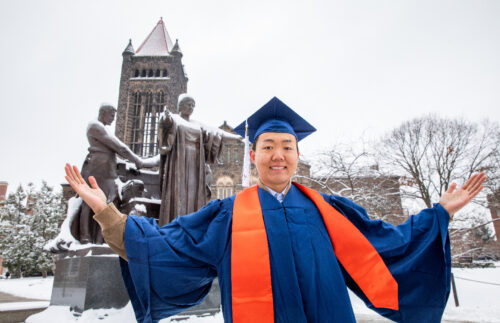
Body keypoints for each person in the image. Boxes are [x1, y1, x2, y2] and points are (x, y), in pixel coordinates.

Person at [64, 97, 486, 323]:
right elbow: (171, 244)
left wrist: (439, 214)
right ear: (254, 155)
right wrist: (109, 215)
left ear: (297, 155)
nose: (278, 155)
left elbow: (387, 243)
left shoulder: (328, 210)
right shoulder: (228, 214)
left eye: (286, 147)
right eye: (268, 147)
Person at [157, 94, 238, 225]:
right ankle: (175, 223)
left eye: (193, 105)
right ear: (180, 105)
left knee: (194, 193)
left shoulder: (197, 124)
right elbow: (165, 127)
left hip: (195, 164)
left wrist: (238, 139)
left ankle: (193, 224)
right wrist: (165, 119)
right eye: (188, 104)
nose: (191, 107)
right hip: (179, 162)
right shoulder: (174, 119)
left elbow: (217, 133)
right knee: (179, 194)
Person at [78, 104, 144, 244]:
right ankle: (85, 236)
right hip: (97, 168)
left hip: (107, 169)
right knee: (90, 201)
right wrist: (138, 160)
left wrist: (131, 165)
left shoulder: (101, 127)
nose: (113, 119)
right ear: (103, 113)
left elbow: (112, 152)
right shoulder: (95, 126)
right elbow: (119, 147)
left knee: (109, 201)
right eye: (112, 115)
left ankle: (100, 237)